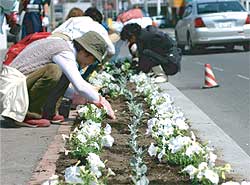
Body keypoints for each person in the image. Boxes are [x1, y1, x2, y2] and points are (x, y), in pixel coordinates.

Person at [0, 31, 116, 127]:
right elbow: (79, 85)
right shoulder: (64, 52)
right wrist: (101, 101)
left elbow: (66, 86)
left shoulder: (64, 47)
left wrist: (84, 98)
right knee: (53, 71)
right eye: (93, 60)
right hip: (12, 92)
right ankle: (30, 115)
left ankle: (48, 113)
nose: (90, 64)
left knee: (62, 72)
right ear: (86, 53)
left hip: (18, 87)